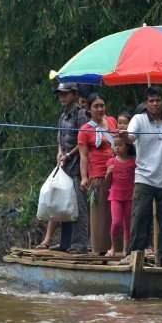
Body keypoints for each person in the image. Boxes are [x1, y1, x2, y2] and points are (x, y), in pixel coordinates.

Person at [123, 86, 162, 265]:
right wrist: (124, 136)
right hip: (144, 178)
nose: (155, 104)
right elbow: (131, 138)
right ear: (146, 103)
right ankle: (136, 255)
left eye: (158, 100)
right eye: (151, 101)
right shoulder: (138, 119)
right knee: (140, 217)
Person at [78, 92, 118, 255]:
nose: (100, 109)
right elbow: (84, 156)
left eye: (102, 105)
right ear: (89, 109)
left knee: (115, 213)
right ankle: (99, 249)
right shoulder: (85, 130)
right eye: (96, 106)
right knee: (99, 214)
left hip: (117, 174)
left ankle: (117, 247)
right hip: (97, 176)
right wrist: (84, 177)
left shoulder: (112, 122)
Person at [55, 82, 89, 253]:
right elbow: (60, 139)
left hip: (77, 167)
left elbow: (84, 141)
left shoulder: (81, 115)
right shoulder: (63, 116)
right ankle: (65, 243)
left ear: (75, 95)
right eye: (60, 94)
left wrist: (69, 154)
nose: (62, 97)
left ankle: (80, 244)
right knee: (65, 205)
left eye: (65, 94)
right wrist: (60, 153)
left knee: (79, 206)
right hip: (65, 167)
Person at [105, 135, 136, 257]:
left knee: (128, 224)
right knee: (116, 222)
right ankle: (112, 247)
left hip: (129, 196)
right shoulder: (112, 162)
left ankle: (125, 250)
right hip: (115, 196)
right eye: (115, 145)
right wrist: (108, 173)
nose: (117, 148)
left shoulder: (133, 162)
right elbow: (107, 182)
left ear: (127, 147)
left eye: (120, 145)